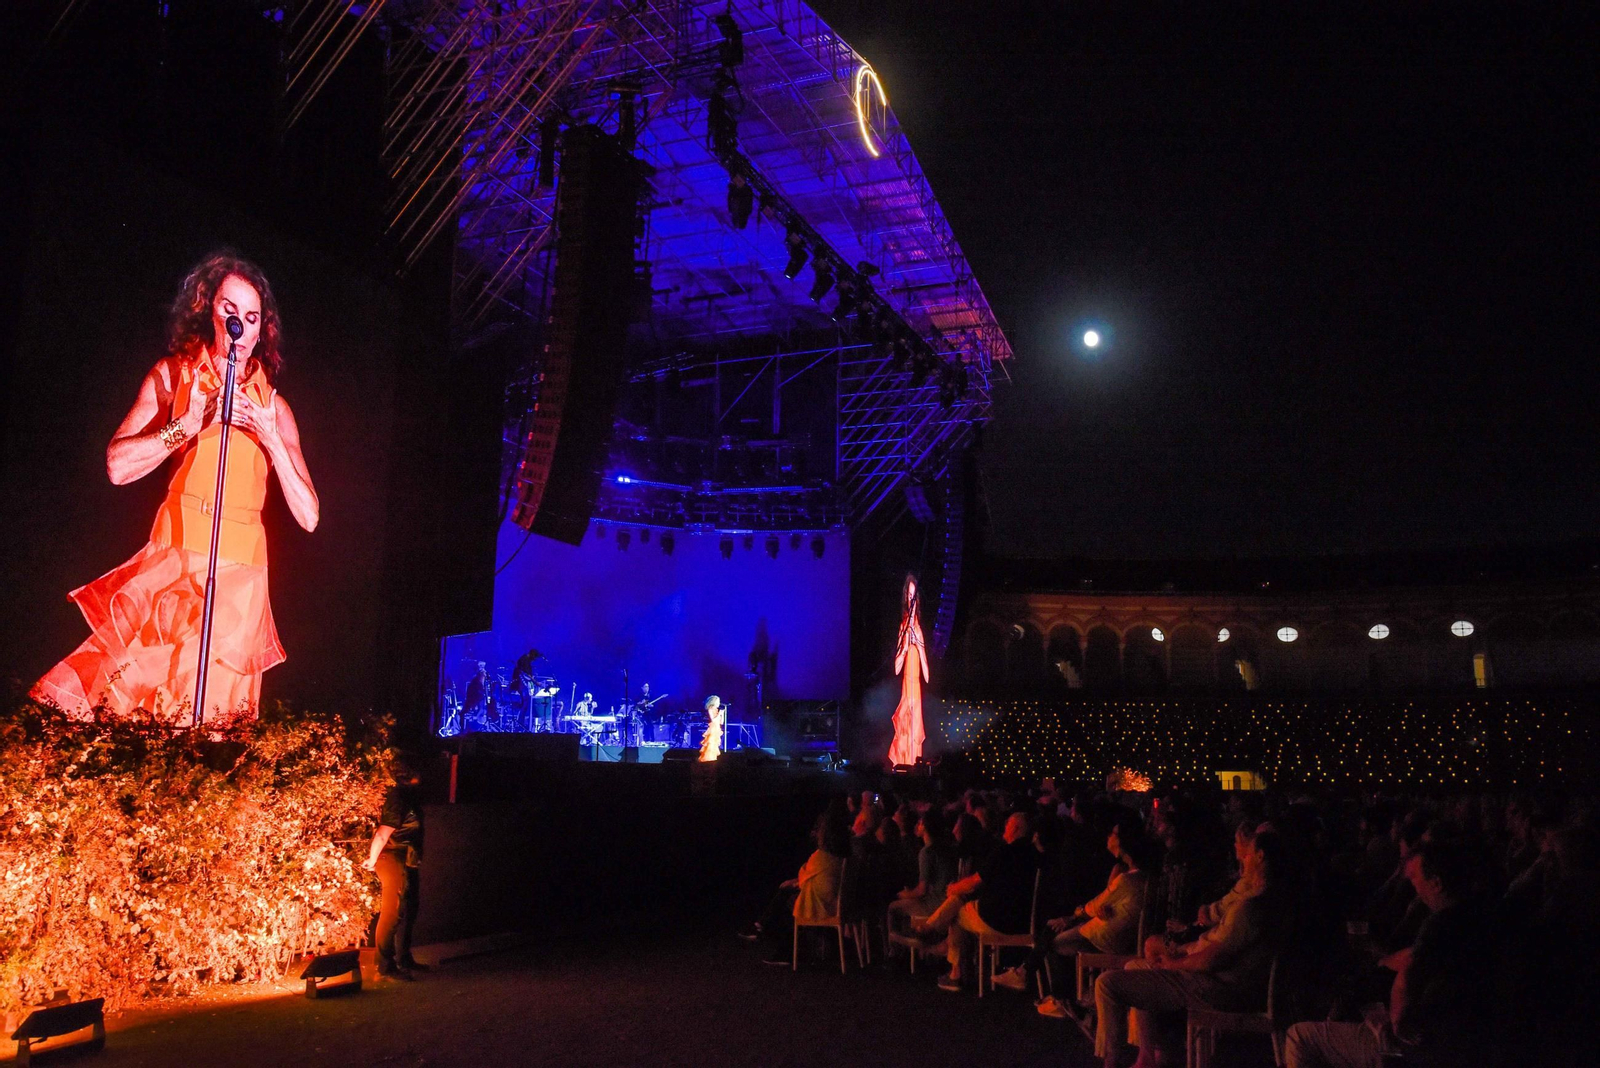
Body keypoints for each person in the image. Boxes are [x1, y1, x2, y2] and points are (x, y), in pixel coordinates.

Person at [31, 251, 319, 725]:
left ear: (262, 326)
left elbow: (309, 516)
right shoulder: (173, 376)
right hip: (175, 556)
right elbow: (117, 467)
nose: (239, 330)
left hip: (239, 575)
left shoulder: (276, 408)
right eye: (230, 312)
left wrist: (271, 437)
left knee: (210, 719)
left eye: (251, 318)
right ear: (209, 309)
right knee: (133, 700)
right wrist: (183, 427)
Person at [1284, 841, 1496, 1068]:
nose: (1412, 885)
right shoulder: (1483, 914)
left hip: (1424, 1049)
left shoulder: (1441, 923)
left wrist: (1395, 1025)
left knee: (1299, 1037)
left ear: (1436, 883)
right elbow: (1416, 957)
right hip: (1471, 1040)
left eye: (1415, 877)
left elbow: (1408, 976)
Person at [1095, 830, 1293, 1068]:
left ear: (1260, 857)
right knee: (1137, 968)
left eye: (1247, 855)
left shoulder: (1251, 907)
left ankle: (1113, 1062)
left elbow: (1210, 960)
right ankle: (1154, 1054)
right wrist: (1182, 951)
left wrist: (1172, 963)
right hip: (1231, 981)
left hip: (1220, 987)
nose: (1242, 861)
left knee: (1108, 984)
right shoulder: (1274, 898)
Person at [916, 811, 1041, 992]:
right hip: (1023, 922)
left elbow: (975, 881)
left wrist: (954, 888)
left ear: (1015, 828)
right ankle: (934, 932)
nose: (1004, 828)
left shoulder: (1004, 851)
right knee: (960, 902)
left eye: (1008, 824)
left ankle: (954, 970)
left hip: (995, 919)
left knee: (957, 909)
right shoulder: (1034, 855)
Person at [363, 756, 428, 981]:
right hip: (393, 856)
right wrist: (372, 859)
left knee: (410, 908)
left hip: (407, 858)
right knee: (393, 911)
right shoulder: (397, 798)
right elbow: (383, 833)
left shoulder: (408, 797)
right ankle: (385, 964)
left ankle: (403, 957)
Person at [886, 573, 928, 767]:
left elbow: (927, 673)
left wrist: (919, 645)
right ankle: (903, 765)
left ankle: (913, 765)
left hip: (916, 689)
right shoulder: (903, 627)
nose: (911, 600)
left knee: (914, 729)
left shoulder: (918, 629)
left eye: (914, 597)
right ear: (906, 599)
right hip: (906, 687)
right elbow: (896, 669)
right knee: (904, 728)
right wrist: (903, 647)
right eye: (908, 597)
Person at [698, 694, 726, 762]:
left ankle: (713, 759)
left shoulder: (717, 710)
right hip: (713, 729)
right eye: (718, 701)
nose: (719, 703)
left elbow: (721, 722)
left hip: (717, 729)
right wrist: (719, 713)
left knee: (715, 746)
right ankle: (708, 760)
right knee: (711, 744)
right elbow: (713, 720)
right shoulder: (710, 709)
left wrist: (722, 714)